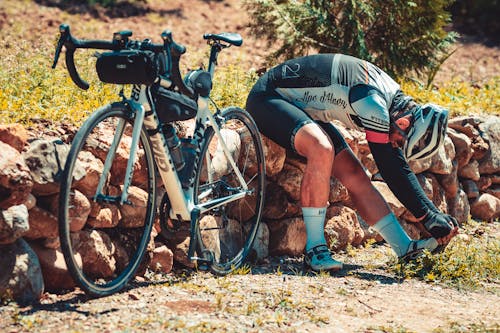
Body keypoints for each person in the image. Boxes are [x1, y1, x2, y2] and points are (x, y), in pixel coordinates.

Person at [245, 53, 459, 271]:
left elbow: (394, 163)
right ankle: (315, 251)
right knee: (321, 148)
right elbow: (391, 166)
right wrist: (430, 216)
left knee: (355, 174)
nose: (395, 145)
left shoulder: (393, 100)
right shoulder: (373, 104)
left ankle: (405, 249)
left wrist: (432, 215)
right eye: (399, 142)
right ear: (403, 123)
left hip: (303, 110)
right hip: (268, 99)